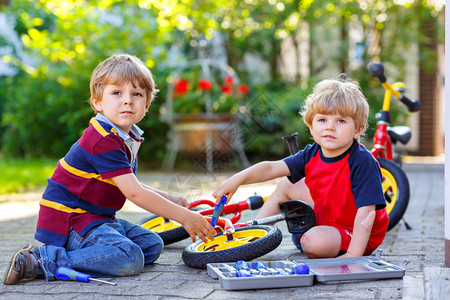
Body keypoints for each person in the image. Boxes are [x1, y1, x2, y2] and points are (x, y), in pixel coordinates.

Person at [4, 54, 216, 285]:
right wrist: (185, 218)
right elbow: (134, 193)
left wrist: (170, 199)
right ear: (97, 102)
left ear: (146, 104)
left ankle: (98, 255)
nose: (128, 101)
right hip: (72, 222)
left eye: (136, 94)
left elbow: (128, 183)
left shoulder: (123, 136)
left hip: (97, 218)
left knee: (153, 244)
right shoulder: (102, 139)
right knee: (130, 258)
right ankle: (41, 260)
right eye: (117, 93)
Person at [213, 76, 389, 259]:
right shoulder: (312, 153)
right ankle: (253, 237)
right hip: (328, 218)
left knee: (312, 242)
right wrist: (237, 180)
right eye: (322, 120)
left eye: (341, 121)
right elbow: (272, 168)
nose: (330, 127)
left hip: (355, 234)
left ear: (358, 130)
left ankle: (320, 241)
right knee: (286, 184)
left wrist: (354, 255)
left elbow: (367, 213)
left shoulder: (362, 161)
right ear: (311, 126)